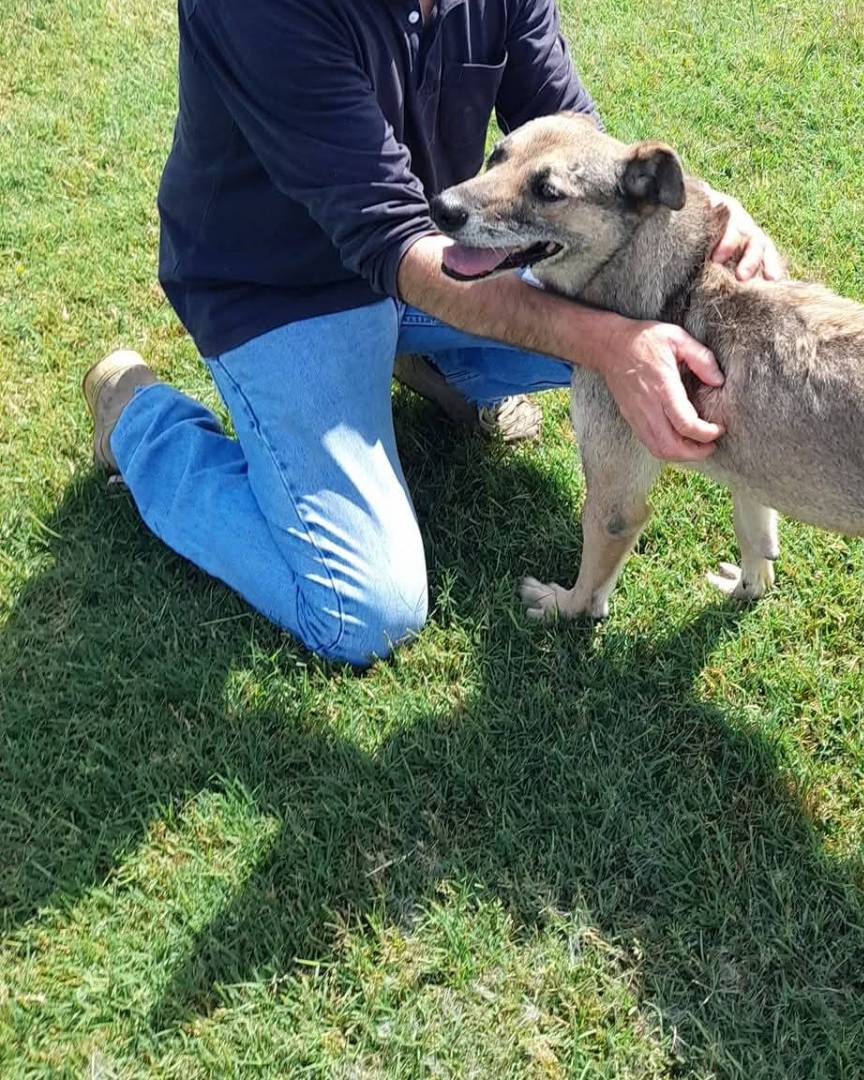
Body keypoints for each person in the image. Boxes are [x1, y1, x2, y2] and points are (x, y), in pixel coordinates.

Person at [82, 0, 781, 666]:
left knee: (637, 304)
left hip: (446, 249)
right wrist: (605, 344)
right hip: (283, 293)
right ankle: (142, 422)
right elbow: (388, 241)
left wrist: (709, 217)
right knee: (362, 611)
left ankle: (436, 371)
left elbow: (570, 136)